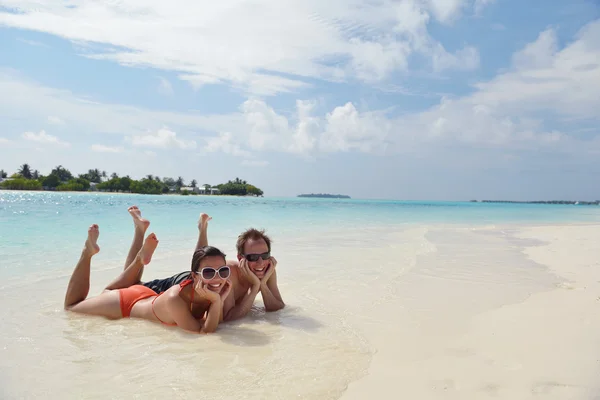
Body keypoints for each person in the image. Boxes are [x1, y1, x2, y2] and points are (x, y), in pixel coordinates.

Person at [63, 222, 231, 334]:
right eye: (209, 272)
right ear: (194, 276)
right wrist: (217, 302)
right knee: (71, 306)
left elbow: (216, 323)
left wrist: (218, 300)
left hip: (146, 293)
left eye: (223, 271)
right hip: (124, 305)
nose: (218, 278)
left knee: (110, 289)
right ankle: (87, 253)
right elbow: (203, 334)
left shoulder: (213, 290)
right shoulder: (175, 298)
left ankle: (139, 259)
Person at [123, 206, 284, 321]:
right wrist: (255, 287)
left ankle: (202, 228)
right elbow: (228, 319)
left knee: (201, 262)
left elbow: (276, 307)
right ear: (240, 258)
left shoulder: (266, 268)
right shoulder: (228, 273)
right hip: (183, 283)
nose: (260, 262)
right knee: (129, 286)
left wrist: (262, 284)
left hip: (201, 276)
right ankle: (139, 230)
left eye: (265, 255)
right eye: (253, 257)